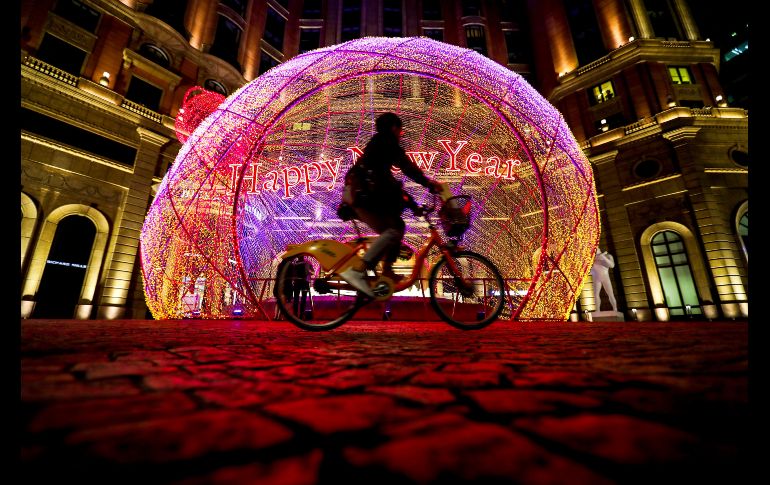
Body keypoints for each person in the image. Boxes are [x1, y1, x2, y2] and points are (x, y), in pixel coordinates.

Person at [340, 112, 442, 296]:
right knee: (394, 229)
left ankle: (386, 270)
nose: (401, 134)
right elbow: (406, 166)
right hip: (361, 197)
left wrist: (412, 205)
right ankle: (359, 270)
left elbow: (391, 185)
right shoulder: (386, 143)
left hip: (362, 195)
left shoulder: (379, 150)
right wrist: (428, 183)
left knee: (398, 225)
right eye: (400, 130)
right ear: (394, 128)